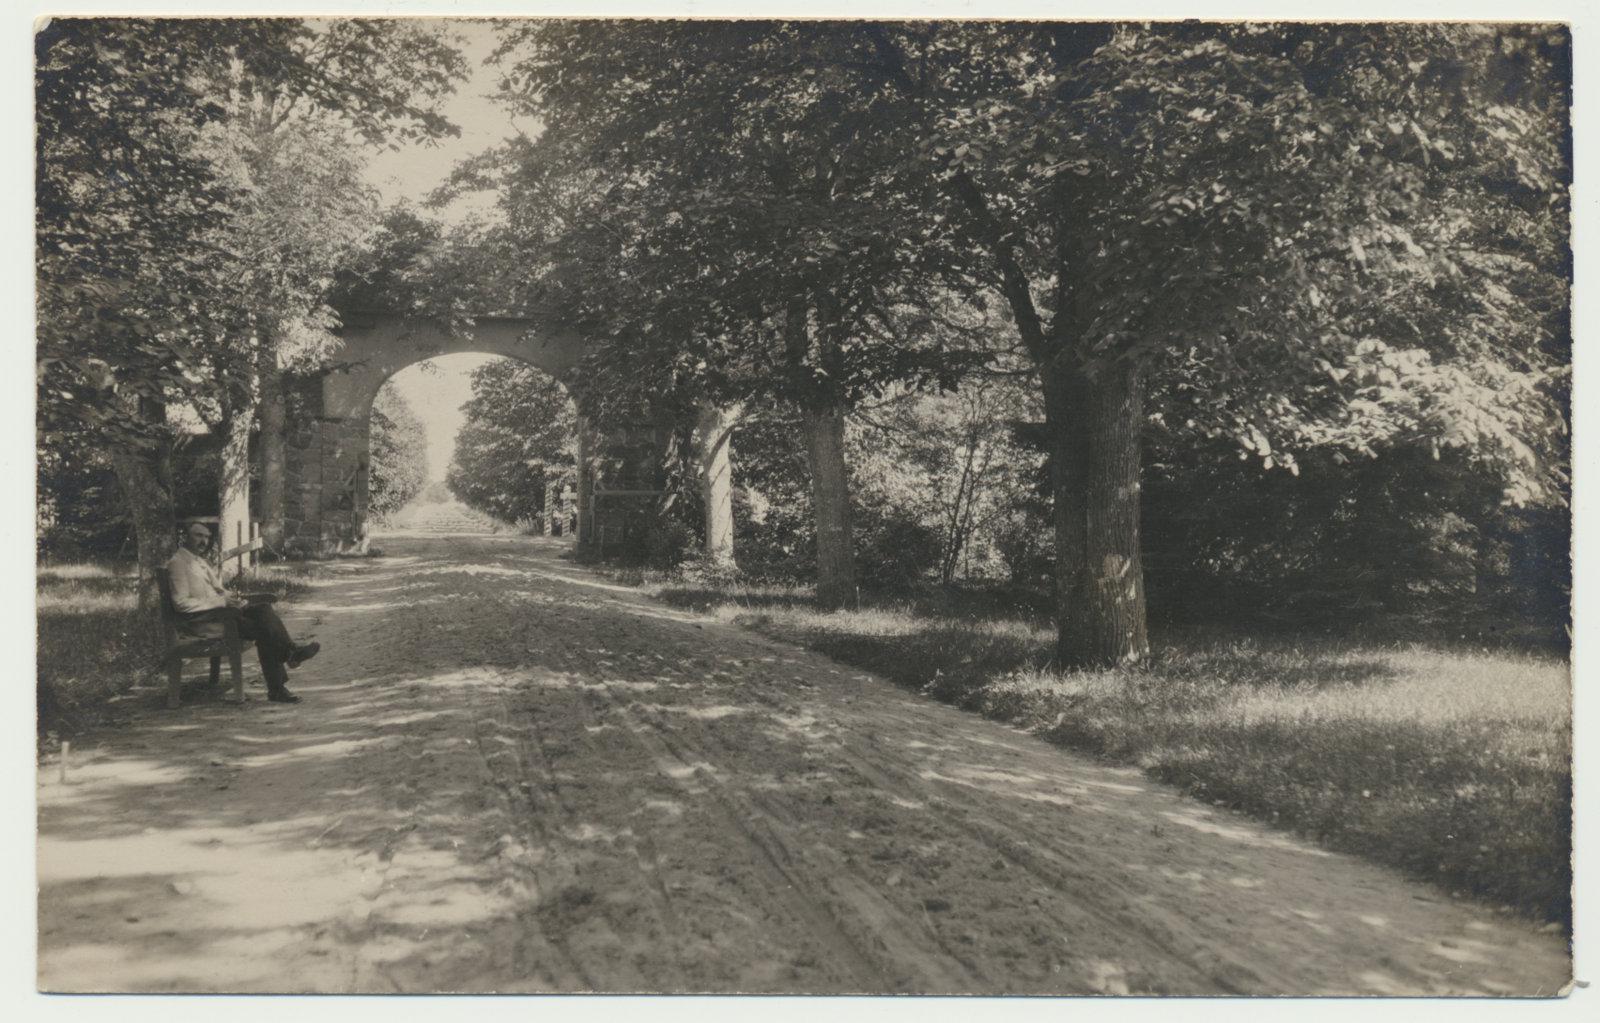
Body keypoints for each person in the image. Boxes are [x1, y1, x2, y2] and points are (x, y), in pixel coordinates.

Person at [167, 521, 320, 704]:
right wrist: (221, 602)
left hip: (222, 615)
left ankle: (289, 658)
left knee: (263, 609)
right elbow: (181, 603)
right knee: (266, 631)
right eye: (198, 536)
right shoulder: (178, 563)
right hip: (203, 623)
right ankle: (283, 672)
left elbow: (220, 590)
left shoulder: (200, 562)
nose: (204, 541)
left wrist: (236, 599)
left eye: (207, 537)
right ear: (184, 537)